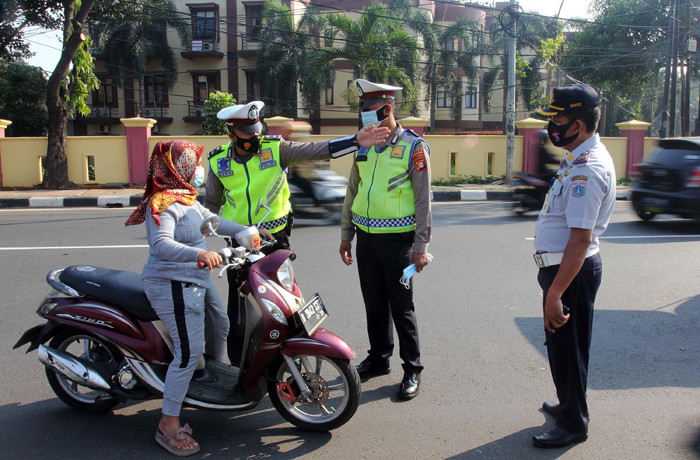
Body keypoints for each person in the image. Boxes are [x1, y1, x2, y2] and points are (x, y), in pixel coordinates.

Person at [204, 101, 390, 365]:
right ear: (232, 134)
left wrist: (355, 141)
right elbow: (209, 207)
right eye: (248, 134)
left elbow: (314, 150)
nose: (255, 138)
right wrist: (195, 237)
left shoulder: (275, 149)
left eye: (257, 131)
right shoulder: (218, 161)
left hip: (275, 240)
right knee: (240, 312)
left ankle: (295, 364)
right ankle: (238, 370)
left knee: (286, 305)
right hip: (239, 244)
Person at [125, 140, 272, 456]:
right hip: (171, 282)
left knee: (220, 323)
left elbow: (215, 221)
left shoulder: (187, 199)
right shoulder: (162, 204)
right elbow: (161, 245)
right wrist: (201, 252)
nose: (197, 169)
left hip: (196, 277)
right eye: (190, 164)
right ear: (176, 169)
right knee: (188, 352)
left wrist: (246, 231)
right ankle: (168, 424)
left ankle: (210, 381)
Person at [531, 84, 616, 448]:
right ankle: (568, 404)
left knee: (570, 349)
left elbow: (580, 240)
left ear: (578, 125)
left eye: (558, 119)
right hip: (563, 270)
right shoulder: (577, 158)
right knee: (561, 347)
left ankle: (573, 424)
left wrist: (555, 293)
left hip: (570, 273)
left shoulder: (588, 170)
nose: (552, 126)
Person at [339, 79, 432, 400]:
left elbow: (423, 200)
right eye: (361, 111)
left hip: (399, 244)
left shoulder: (413, 147)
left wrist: (421, 247)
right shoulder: (363, 145)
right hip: (366, 240)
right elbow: (353, 191)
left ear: (386, 109)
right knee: (374, 303)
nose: (363, 118)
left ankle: (412, 369)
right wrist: (346, 235)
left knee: (401, 307)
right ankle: (379, 358)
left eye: (367, 111)